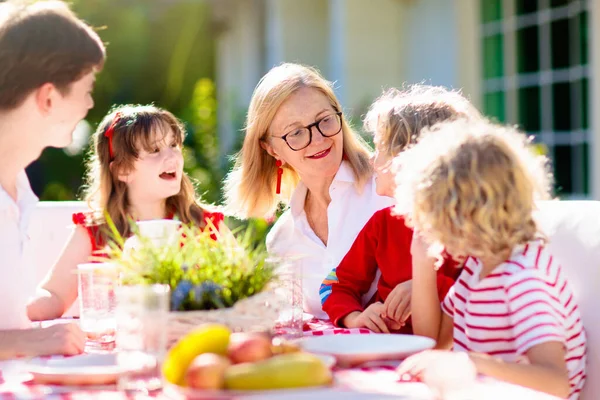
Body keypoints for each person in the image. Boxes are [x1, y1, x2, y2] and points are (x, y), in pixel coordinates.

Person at [395, 118, 586, 399]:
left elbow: (556, 382)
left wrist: (471, 362)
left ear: (463, 216)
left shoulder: (524, 280)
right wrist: (421, 260)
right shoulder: (478, 268)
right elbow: (435, 343)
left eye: (432, 215)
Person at [223, 63, 392, 319]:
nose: (318, 139)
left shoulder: (388, 191)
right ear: (271, 149)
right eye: (296, 133)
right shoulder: (282, 238)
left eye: (324, 120)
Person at [27, 104, 224, 322]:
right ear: (122, 170)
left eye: (173, 145)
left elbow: (244, 285)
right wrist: (15, 310)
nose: (172, 157)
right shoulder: (96, 232)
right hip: (123, 349)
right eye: (154, 150)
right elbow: (54, 296)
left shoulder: (204, 224)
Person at [320, 85, 481, 333]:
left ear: (413, 159)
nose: (372, 160)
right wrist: (355, 317)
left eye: (381, 149)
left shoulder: (473, 229)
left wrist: (427, 286)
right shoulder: (383, 223)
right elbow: (334, 285)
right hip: (387, 353)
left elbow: (484, 298)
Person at [0, 0, 105, 359]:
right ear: (48, 97)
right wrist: (25, 342)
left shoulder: (18, 187)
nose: (90, 104)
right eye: (86, 89)